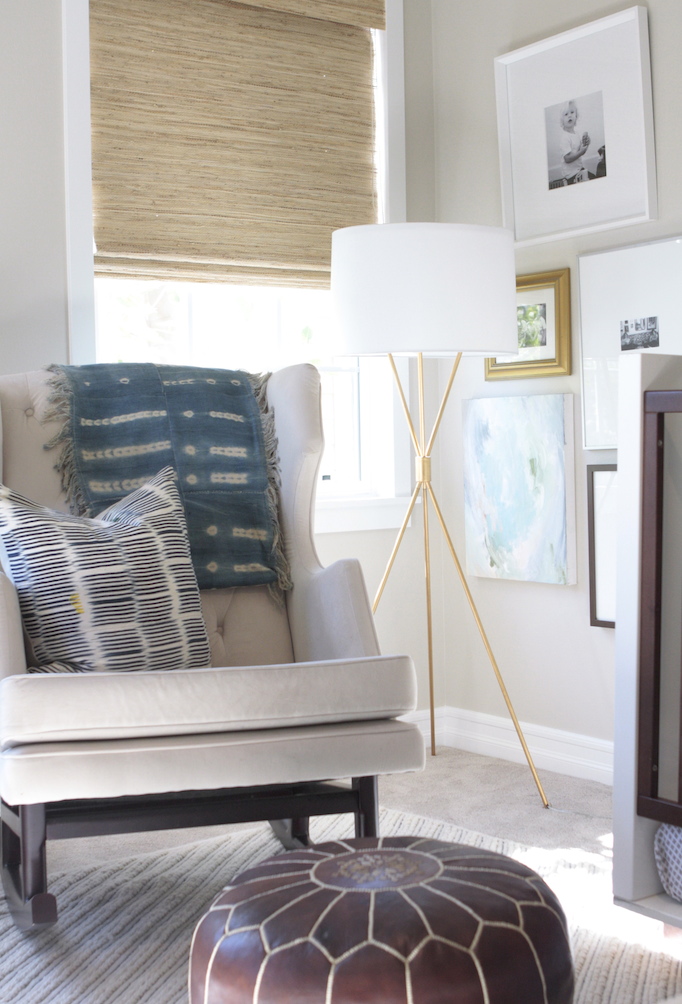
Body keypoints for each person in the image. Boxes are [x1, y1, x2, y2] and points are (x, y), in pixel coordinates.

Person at [559, 100, 591, 183]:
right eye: (566, 114)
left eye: (572, 112)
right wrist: (581, 152)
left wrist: (586, 144)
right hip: (571, 175)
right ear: (562, 120)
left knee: (592, 177)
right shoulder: (565, 137)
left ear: (576, 116)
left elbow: (581, 151)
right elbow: (567, 159)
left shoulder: (576, 133)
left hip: (578, 170)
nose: (569, 115)